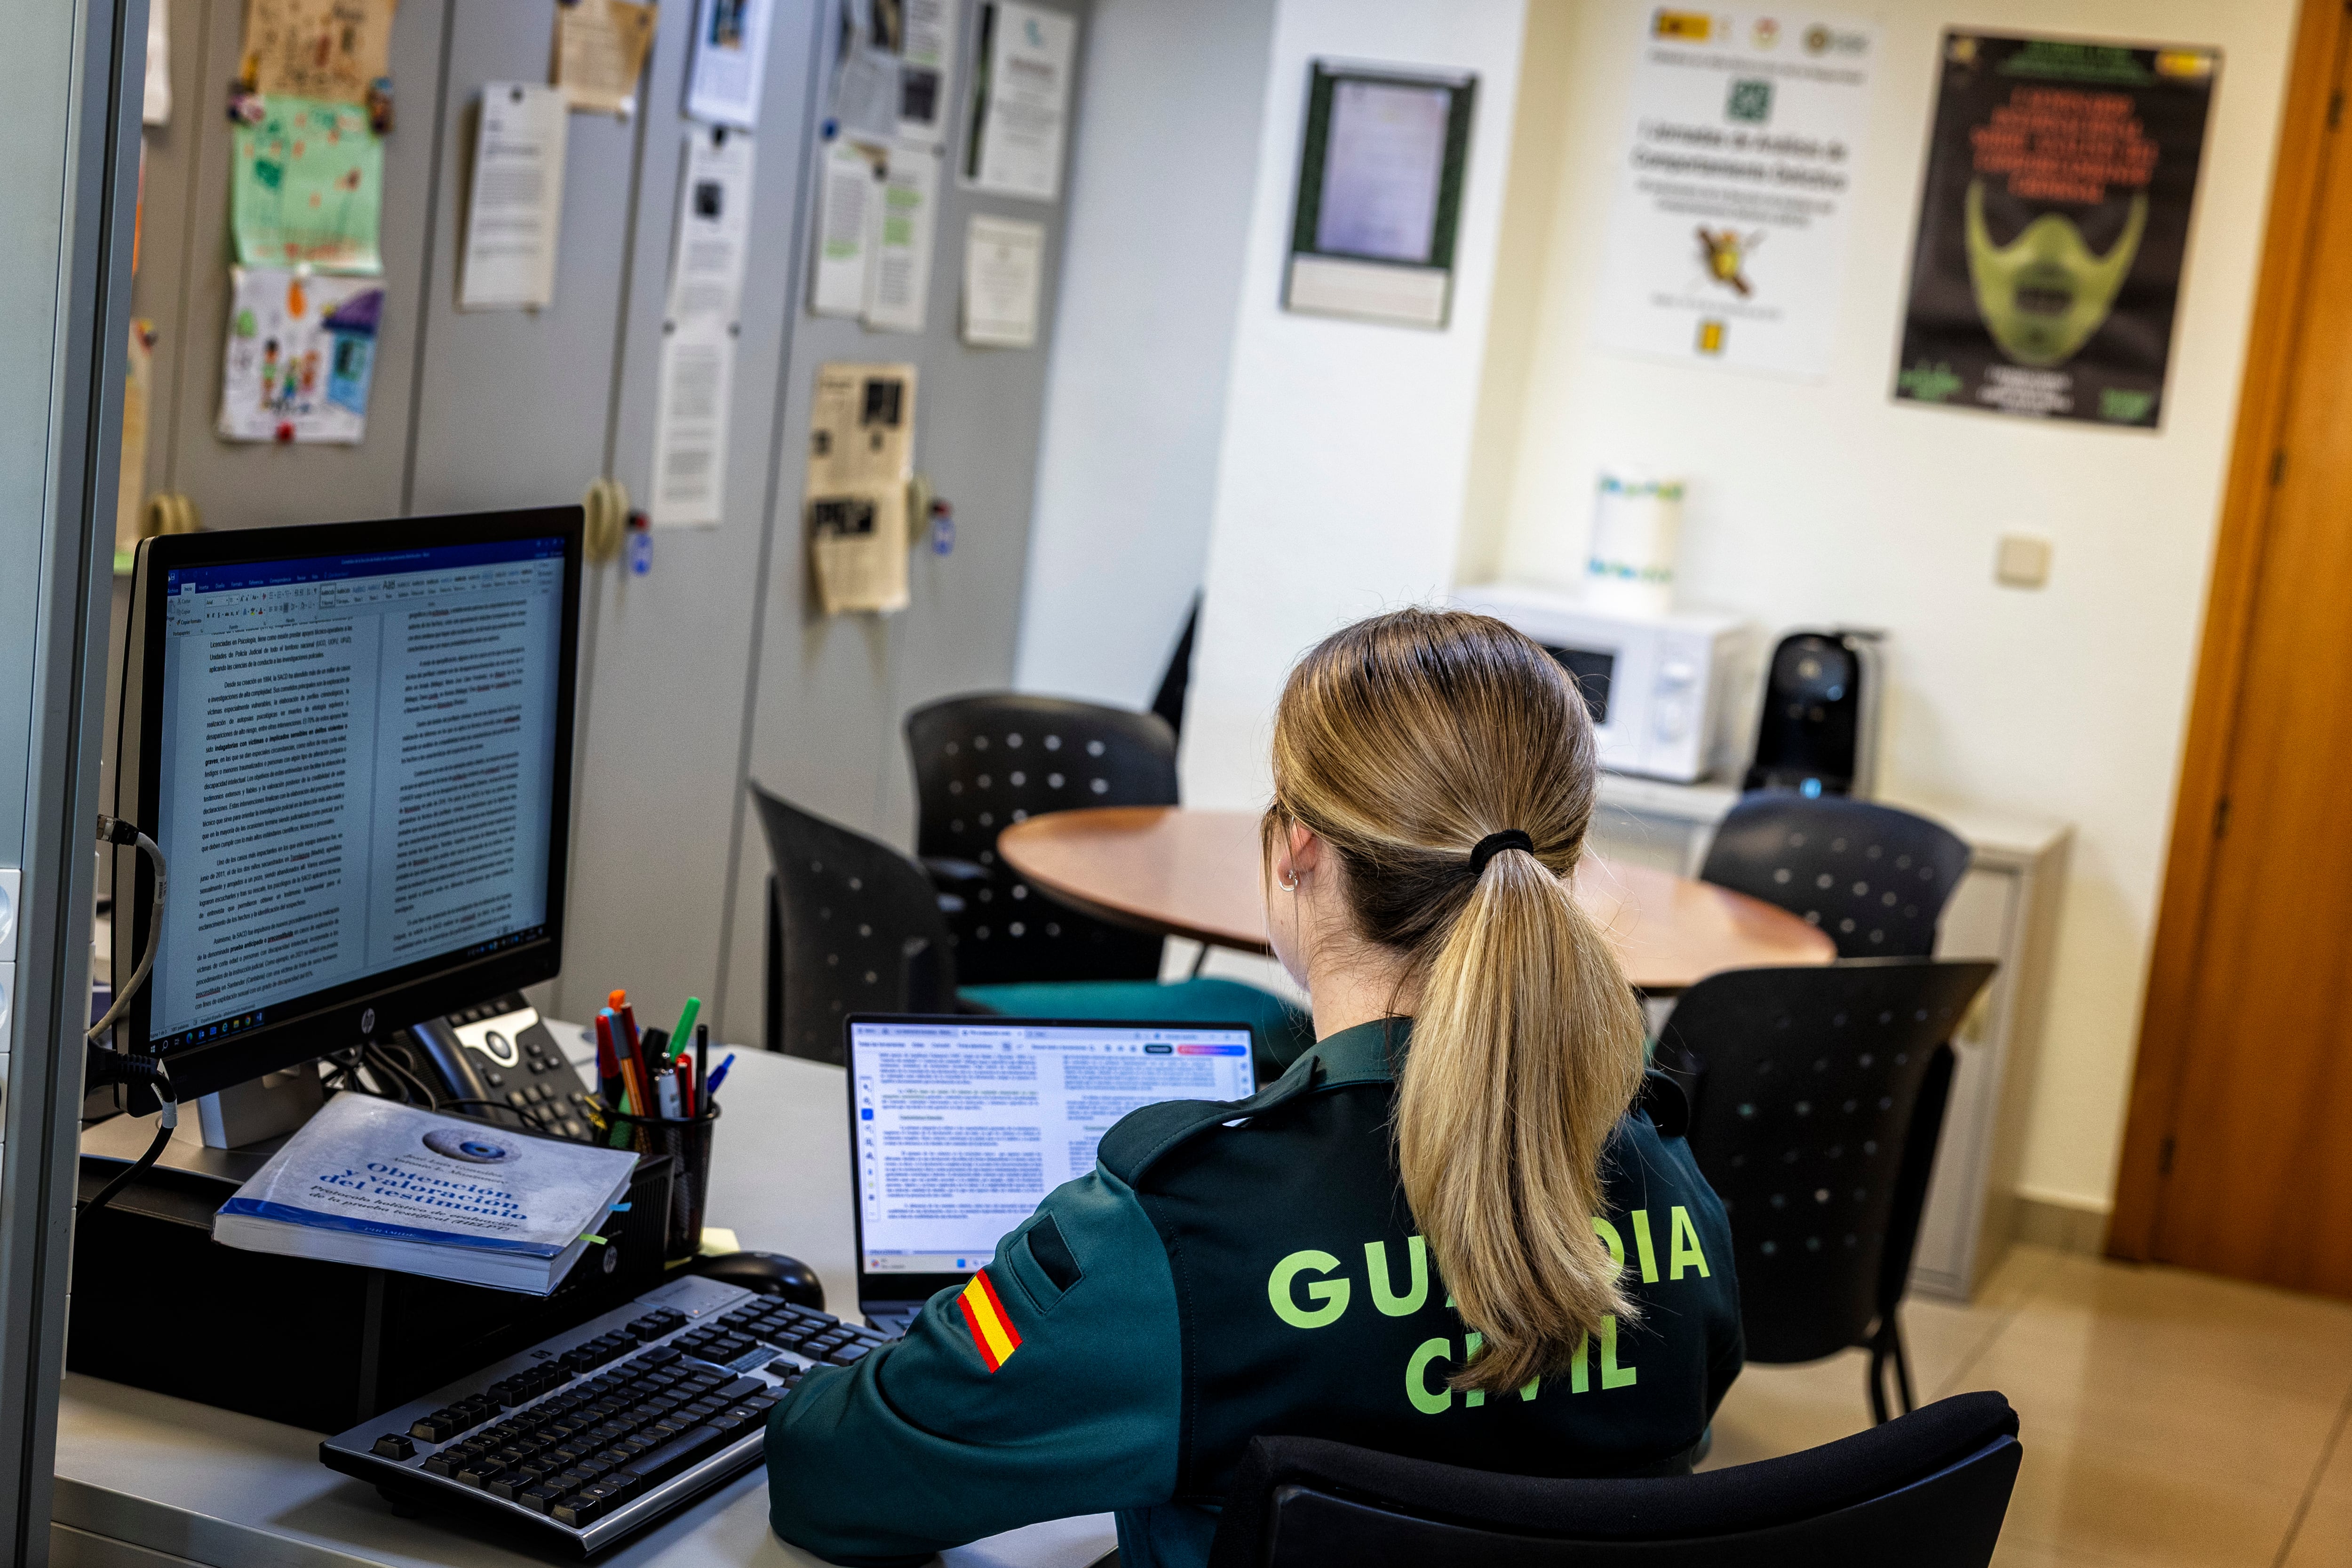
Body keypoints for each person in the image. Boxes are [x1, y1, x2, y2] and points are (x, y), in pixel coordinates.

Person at [766, 608, 1743, 1567]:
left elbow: (833, 1476)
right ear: (1557, 868)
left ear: (1297, 848)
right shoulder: (1676, 1190)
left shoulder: (1174, 1228)